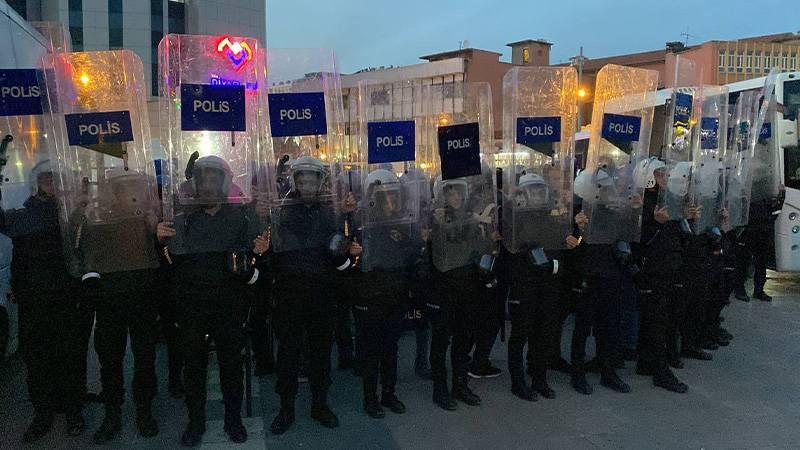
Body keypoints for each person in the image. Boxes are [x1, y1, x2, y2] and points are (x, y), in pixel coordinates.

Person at [158, 156, 266, 446]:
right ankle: (196, 422)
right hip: (192, 304)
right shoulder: (181, 220)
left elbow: (253, 259)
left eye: (213, 180)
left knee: (231, 365)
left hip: (229, 304)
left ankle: (233, 420)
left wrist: (260, 249)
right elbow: (169, 264)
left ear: (223, 183)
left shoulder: (240, 217)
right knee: (193, 367)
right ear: (194, 184)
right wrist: (160, 243)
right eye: (202, 180)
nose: (207, 186)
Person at [71, 168, 162, 444]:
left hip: (142, 298)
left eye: (133, 189)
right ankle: (112, 415)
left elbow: (165, 252)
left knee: (145, 359)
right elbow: (79, 245)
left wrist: (154, 228)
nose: (129, 194)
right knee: (110, 362)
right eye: (123, 189)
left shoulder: (148, 218)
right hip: (109, 300)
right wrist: (80, 207)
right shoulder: (100, 219)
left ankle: (144, 410)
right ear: (116, 193)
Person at [1, 161, 90, 442]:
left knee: (68, 358)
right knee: (37, 361)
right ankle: (44, 414)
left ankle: (72, 411)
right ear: (36, 182)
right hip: (33, 299)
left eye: (55, 179)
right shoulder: (29, 215)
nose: (51, 183)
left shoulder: (68, 214)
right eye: (46, 178)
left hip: (63, 297)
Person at [269, 156, 357, 435]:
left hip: (321, 292)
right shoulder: (281, 210)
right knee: (288, 355)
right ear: (294, 181)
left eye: (312, 179)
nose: (307, 183)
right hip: (290, 292)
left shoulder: (330, 212)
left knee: (321, 353)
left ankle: (320, 404)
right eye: (302, 178)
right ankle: (286, 408)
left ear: (321, 182)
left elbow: (338, 246)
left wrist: (347, 216)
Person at [349, 169, 424, 418]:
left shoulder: (404, 220)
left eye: (394, 195)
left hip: (396, 289)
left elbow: (413, 251)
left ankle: (389, 394)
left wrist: (410, 240)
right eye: (384, 197)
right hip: (371, 292)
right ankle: (370, 398)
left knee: (391, 347)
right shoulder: (363, 220)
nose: (391, 201)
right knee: (371, 350)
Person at [426, 175, 493, 410]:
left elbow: (479, 248)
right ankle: (440, 387)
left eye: (458, 192)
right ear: (442, 196)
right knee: (441, 338)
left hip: (467, 284)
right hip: (443, 286)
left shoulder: (470, 217)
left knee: (464, 338)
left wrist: (485, 234)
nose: (455, 197)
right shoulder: (436, 219)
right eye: (450, 192)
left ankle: (460, 383)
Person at [633, 157, 689, 393]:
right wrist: (655, 222)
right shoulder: (643, 203)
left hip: (668, 265)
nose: (665, 177)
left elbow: (677, 232)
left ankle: (647, 362)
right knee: (657, 320)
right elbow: (639, 239)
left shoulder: (667, 200)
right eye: (659, 174)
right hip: (654, 268)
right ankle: (660, 369)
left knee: (657, 318)